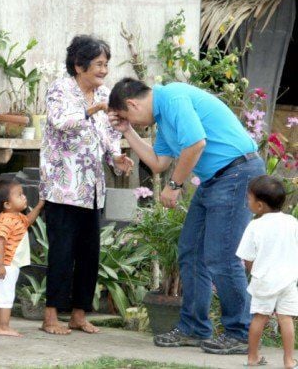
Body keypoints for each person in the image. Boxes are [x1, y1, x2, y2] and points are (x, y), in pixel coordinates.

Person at [108, 78, 265, 354]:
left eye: (126, 115)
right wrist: (128, 131)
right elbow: (158, 163)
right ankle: (194, 328)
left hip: (236, 173)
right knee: (191, 250)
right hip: (215, 179)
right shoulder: (163, 117)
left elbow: (196, 144)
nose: (136, 122)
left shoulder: (173, 98)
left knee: (222, 255)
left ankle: (241, 333)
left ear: (132, 103)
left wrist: (175, 185)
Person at [39, 36, 133, 335]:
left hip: (92, 190)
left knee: (89, 254)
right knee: (62, 252)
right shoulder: (60, 89)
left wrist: (116, 158)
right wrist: (93, 109)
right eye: (98, 64)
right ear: (79, 65)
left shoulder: (103, 93)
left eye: (106, 64)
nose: (104, 71)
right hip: (63, 187)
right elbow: (58, 121)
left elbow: (108, 135)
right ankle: (51, 316)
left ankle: (79, 314)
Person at [236, 175, 298, 368]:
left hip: (263, 279)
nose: (248, 202)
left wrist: (254, 272)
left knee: (259, 318)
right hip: (288, 280)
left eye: (249, 199)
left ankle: (252, 357)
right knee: (286, 319)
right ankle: (289, 360)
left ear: (260, 205)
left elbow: (247, 256)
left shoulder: (255, 225)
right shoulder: (292, 222)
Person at [0, 179, 45, 337]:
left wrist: (39, 206)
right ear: (7, 205)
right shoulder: (7, 221)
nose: (24, 197)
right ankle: (4, 327)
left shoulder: (17, 218)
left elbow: (29, 221)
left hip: (3, 265)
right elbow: (0, 241)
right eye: (19, 195)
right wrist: (1, 264)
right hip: (5, 265)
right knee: (5, 298)